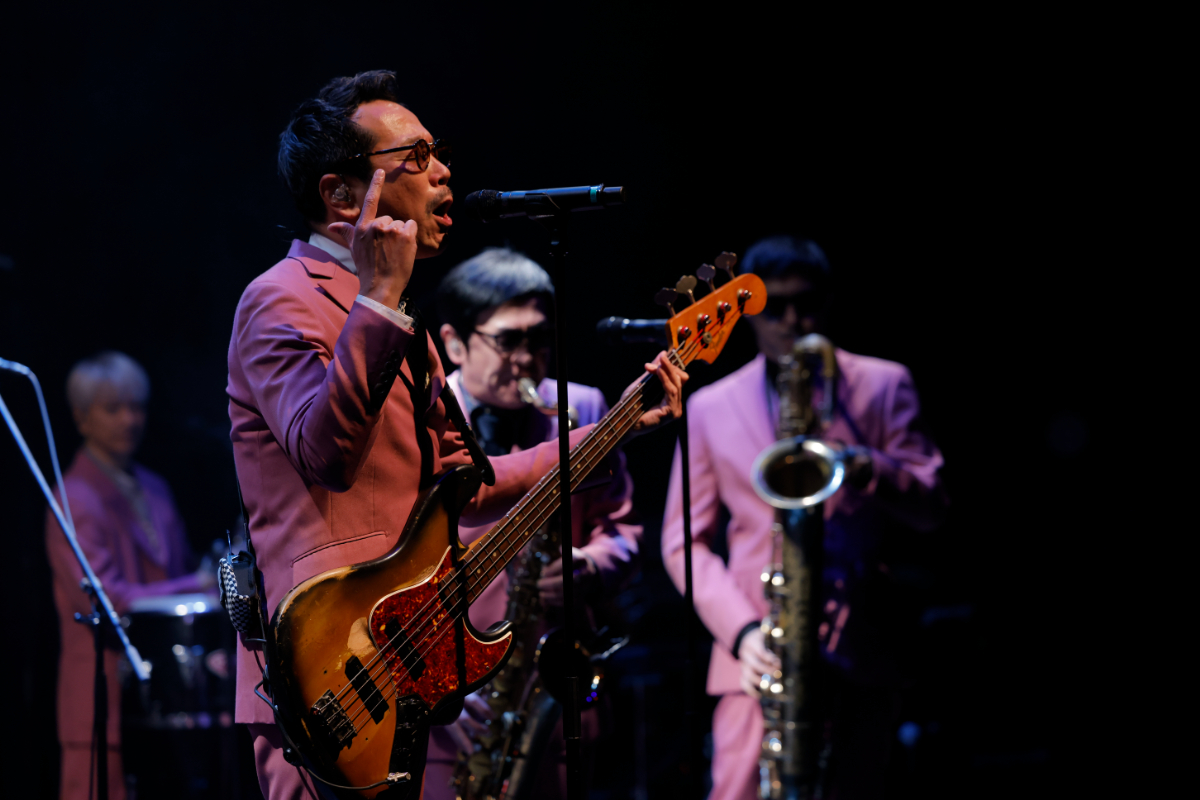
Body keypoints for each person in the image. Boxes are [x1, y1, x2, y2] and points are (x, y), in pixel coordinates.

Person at [227, 70, 684, 800]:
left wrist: (616, 428)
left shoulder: (397, 322)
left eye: (438, 153)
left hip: (406, 667)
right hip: (327, 682)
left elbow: (465, 486)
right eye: (415, 156)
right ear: (341, 196)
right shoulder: (280, 300)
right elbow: (326, 455)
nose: (442, 171)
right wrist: (380, 299)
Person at [661, 237, 947, 800]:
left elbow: (933, 506)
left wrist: (866, 465)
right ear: (748, 310)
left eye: (807, 303)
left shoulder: (885, 384)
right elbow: (682, 543)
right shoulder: (709, 407)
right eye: (777, 306)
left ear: (829, 301)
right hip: (757, 655)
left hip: (860, 646)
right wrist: (741, 632)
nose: (793, 321)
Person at [421, 248, 642, 798]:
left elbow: (623, 530)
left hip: (554, 688)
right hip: (448, 699)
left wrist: (588, 566)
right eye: (508, 340)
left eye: (539, 340)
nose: (526, 359)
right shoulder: (422, 418)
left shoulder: (582, 408)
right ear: (454, 342)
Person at [46, 351, 210, 800]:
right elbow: (106, 600)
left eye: (136, 407)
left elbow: (178, 574)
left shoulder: (155, 488)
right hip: (103, 705)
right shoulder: (73, 498)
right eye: (113, 408)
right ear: (81, 418)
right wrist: (197, 584)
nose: (129, 420)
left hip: (165, 700)